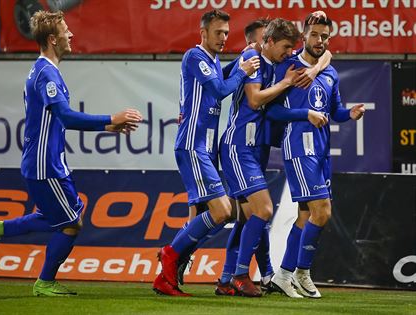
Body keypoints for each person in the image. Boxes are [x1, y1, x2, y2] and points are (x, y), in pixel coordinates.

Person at [0, 10, 142, 297]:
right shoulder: (46, 74)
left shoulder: (44, 71)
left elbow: (59, 119)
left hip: (47, 163)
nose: (71, 35)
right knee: (71, 222)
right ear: (53, 39)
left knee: (57, 216)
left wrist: (108, 126)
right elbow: (66, 117)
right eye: (66, 31)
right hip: (45, 166)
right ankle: (44, 282)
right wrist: (111, 118)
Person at [216, 17, 330, 298]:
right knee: (264, 210)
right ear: (267, 42)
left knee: (246, 218)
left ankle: (227, 278)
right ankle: (243, 274)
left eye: (293, 47)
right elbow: (255, 100)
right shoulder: (253, 57)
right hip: (238, 146)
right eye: (285, 46)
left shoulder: (275, 63)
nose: (290, 52)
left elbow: (326, 52)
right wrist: (288, 82)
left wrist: (314, 69)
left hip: (256, 149)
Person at [152, 9, 260, 297]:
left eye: (226, 33)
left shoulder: (212, 60)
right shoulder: (194, 56)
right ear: (203, 33)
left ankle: (169, 274)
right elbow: (220, 88)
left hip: (206, 149)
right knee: (222, 211)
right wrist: (243, 69)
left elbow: (222, 75)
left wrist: (240, 59)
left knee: (202, 214)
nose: (224, 38)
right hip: (192, 145)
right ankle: (170, 254)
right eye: (218, 33)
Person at [267, 14, 365, 299]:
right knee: (322, 210)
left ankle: (284, 274)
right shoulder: (288, 65)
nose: (319, 41)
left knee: (306, 214)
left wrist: (350, 114)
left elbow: (335, 111)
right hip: (299, 146)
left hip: (322, 149)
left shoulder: (329, 72)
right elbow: (272, 112)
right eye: (315, 34)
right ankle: (301, 271)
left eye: (324, 36)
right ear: (304, 34)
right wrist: (304, 115)